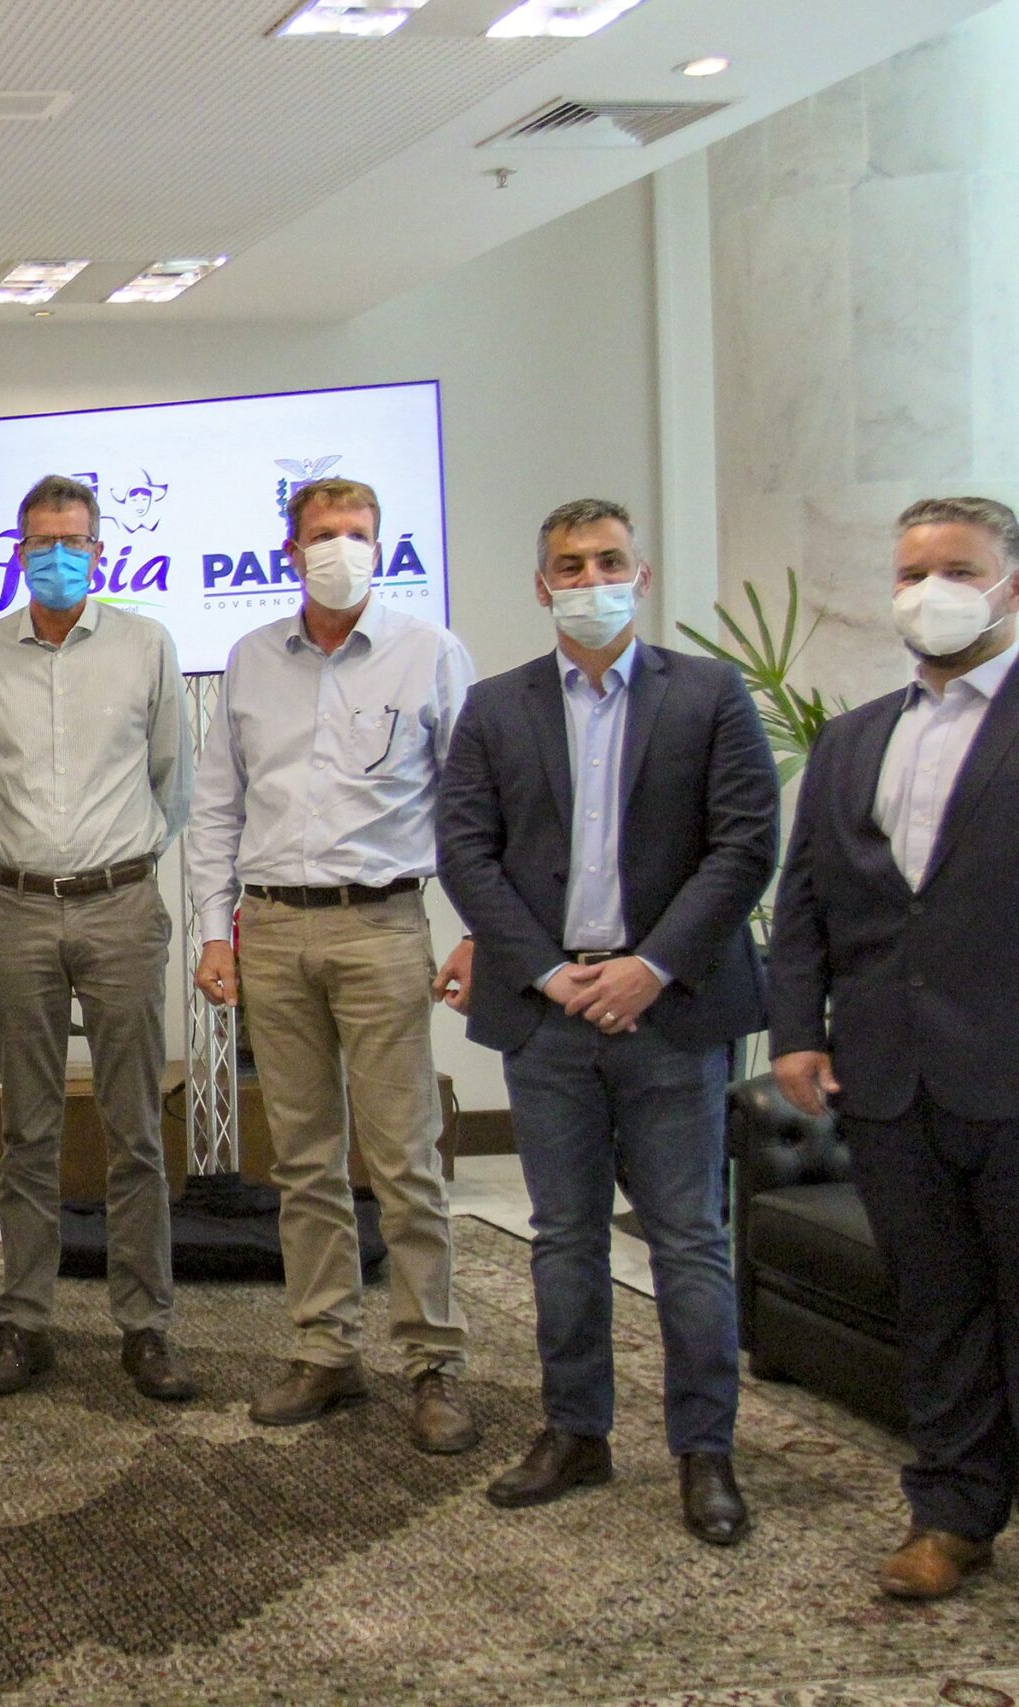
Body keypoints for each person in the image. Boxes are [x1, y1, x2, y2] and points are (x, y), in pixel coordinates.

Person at [436, 499, 776, 1544]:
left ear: (643, 572)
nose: (590, 581)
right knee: (564, 1240)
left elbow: (743, 844)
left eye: (609, 562)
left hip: (670, 1013)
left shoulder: (710, 696)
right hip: (548, 1018)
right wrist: (545, 974)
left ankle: (702, 1452)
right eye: (569, 567)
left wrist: (651, 967)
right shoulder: (494, 708)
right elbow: (466, 853)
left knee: (687, 1239)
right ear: (540, 587)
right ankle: (574, 1432)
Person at [187, 474, 479, 1453]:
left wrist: (477, 926)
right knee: (304, 1161)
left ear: (382, 547)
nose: (338, 549)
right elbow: (216, 807)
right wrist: (213, 931)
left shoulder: (428, 653)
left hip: (381, 925)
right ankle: (325, 1350)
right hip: (272, 930)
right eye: (320, 534)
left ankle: (433, 1361)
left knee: (403, 1156)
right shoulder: (248, 658)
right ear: (288, 551)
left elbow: (468, 806)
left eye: (356, 533)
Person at [770, 494, 1019, 1601]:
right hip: (888, 1078)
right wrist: (793, 1034)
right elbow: (809, 901)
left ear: (1007, 582)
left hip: (1009, 1071)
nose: (931, 592)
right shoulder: (853, 736)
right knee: (937, 1304)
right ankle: (950, 1515)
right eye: (913, 571)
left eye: (957, 568)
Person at [0, 474, 197, 1405]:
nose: (58, 555)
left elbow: (173, 782)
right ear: (18, 552)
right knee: (28, 1129)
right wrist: (32, 867)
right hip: (16, 909)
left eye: (75, 541)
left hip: (121, 906)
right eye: (41, 541)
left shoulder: (146, 645)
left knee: (134, 1126)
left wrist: (108, 864)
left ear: (99, 552)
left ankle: (146, 1326)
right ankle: (24, 1322)